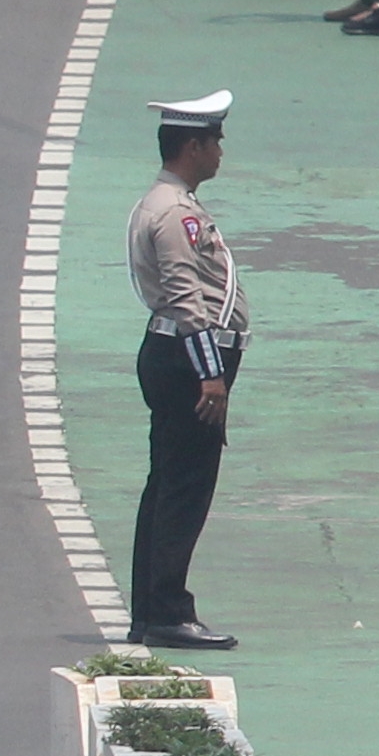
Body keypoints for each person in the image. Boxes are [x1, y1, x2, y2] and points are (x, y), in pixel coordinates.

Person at [126, 91, 244, 651]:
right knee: (183, 489)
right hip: (187, 361)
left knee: (169, 484)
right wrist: (211, 374)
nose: (221, 150)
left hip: (178, 357)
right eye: (214, 141)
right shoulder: (175, 214)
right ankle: (167, 608)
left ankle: (152, 608)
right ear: (192, 146)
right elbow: (184, 299)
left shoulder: (170, 203)